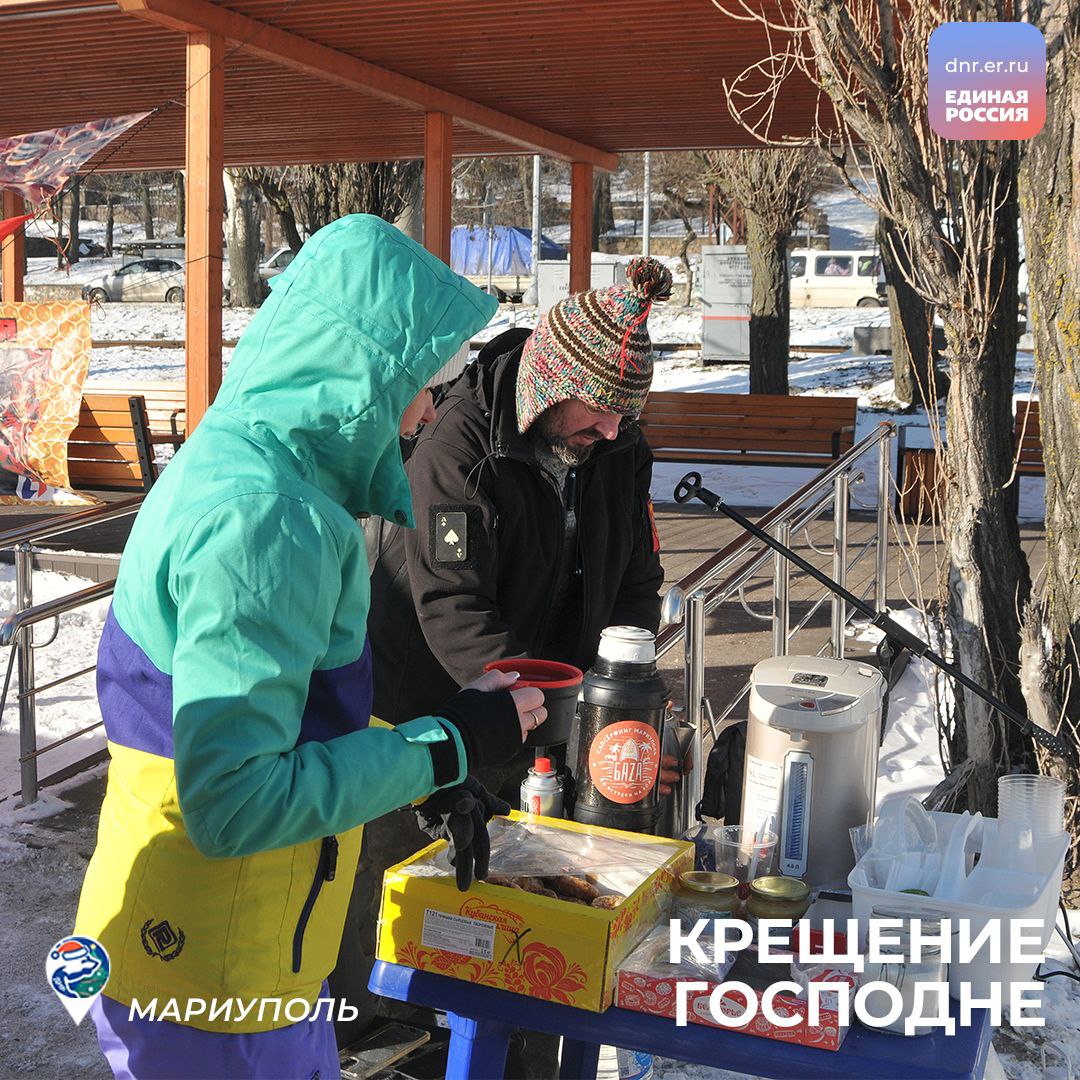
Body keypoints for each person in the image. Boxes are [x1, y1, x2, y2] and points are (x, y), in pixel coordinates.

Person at [73, 215, 547, 1080]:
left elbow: (292, 718)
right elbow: (238, 801)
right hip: (216, 973)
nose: (429, 410)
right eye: (423, 381)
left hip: (229, 948)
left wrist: (426, 765)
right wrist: (447, 745)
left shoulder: (255, 471)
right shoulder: (267, 520)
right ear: (360, 373)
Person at [333, 256, 680, 1062]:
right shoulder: (457, 446)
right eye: (600, 411)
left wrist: (618, 700)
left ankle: (501, 1048)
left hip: (533, 703)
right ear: (549, 384)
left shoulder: (616, 443)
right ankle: (376, 1040)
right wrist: (550, 720)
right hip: (419, 698)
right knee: (397, 891)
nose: (613, 431)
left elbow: (636, 580)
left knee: (512, 905)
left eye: (626, 415)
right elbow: (455, 610)